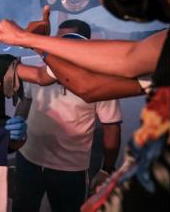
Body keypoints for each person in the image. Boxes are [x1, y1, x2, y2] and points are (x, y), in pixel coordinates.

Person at [0, 0, 170, 211]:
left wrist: (32, 41)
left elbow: (98, 81)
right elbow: (126, 60)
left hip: (71, 169)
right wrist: (29, 40)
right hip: (30, 160)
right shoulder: (162, 50)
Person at [13, 21, 123, 212]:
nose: (59, 45)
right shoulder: (39, 67)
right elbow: (27, 101)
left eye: (67, 40)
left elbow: (112, 125)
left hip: (70, 170)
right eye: (57, 39)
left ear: (83, 45)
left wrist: (107, 169)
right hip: (28, 159)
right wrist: (16, 130)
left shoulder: (99, 79)